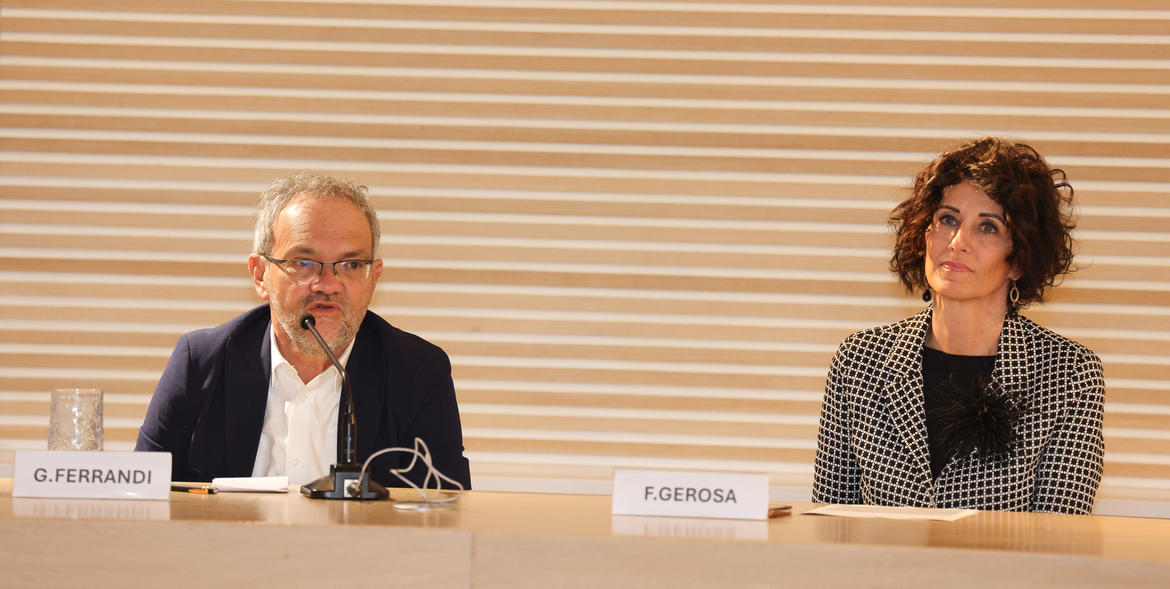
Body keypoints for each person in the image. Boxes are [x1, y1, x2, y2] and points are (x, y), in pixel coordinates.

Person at [812, 137, 1104, 514]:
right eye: (948, 219)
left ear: (1019, 260)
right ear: (924, 234)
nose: (958, 241)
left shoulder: (1068, 374)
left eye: (988, 227)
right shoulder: (860, 361)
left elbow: (1060, 533)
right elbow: (829, 523)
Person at [136, 172, 472, 489]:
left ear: (374, 278)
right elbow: (144, 497)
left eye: (352, 264)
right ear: (260, 275)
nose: (328, 284)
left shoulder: (417, 371)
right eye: (303, 262)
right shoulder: (201, 363)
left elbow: (445, 509)